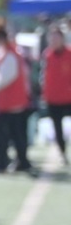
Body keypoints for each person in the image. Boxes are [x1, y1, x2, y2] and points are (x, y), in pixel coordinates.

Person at [0, 20, 34, 174]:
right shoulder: (9, 52)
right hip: (12, 101)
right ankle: (22, 162)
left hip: (10, 102)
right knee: (16, 134)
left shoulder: (9, 54)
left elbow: (4, 79)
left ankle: (1, 163)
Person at [41, 24, 71, 165]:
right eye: (51, 38)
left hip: (68, 96)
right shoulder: (47, 55)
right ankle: (62, 152)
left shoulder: (69, 53)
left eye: (56, 37)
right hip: (53, 97)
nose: (53, 40)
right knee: (57, 127)